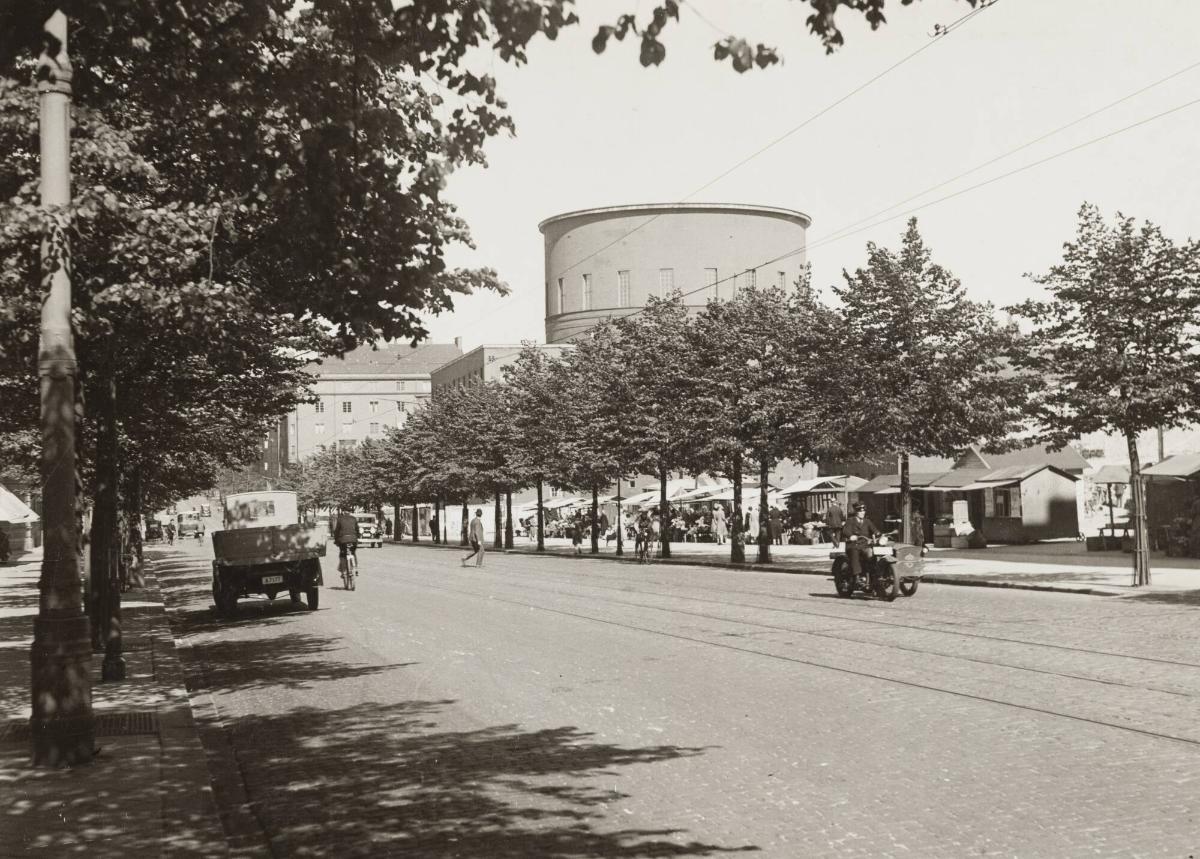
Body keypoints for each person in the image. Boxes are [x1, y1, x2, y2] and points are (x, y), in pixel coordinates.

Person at [842, 502, 881, 582]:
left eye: (864, 510)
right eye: (860, 511)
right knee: (855, 552)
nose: (862, 512)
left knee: (874, 554)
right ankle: (857, 576)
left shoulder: (867, 521)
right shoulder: (850, 521)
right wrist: (850, 536)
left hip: (865, 545)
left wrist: (878, 534)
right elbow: (845, 531)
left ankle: (875, 575)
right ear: (856, 512)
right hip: (853, 544)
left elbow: (874, 530)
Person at [333, 507, 360, 574]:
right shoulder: (354, 519)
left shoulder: (340, 519)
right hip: (353, 539)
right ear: (349, 512)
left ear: (343, 512)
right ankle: (355, 567)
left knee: (342, 554)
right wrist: (357, 537)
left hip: (343, 540)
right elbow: (357, 529)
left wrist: (336, 540)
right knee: (353, 552)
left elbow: (336, 531)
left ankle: (343, 570)